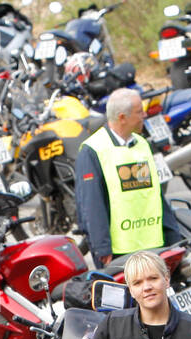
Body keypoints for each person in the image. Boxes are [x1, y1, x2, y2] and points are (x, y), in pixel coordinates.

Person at [76, 87, 182, 267]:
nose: (144, 116)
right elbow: (91, 204)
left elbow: (156, 195)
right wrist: (102, 248)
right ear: (122, 117)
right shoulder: (93, 150)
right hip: (119, 252)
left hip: (153, 244)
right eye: (139, 112)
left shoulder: (142, 144)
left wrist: (173, 235)